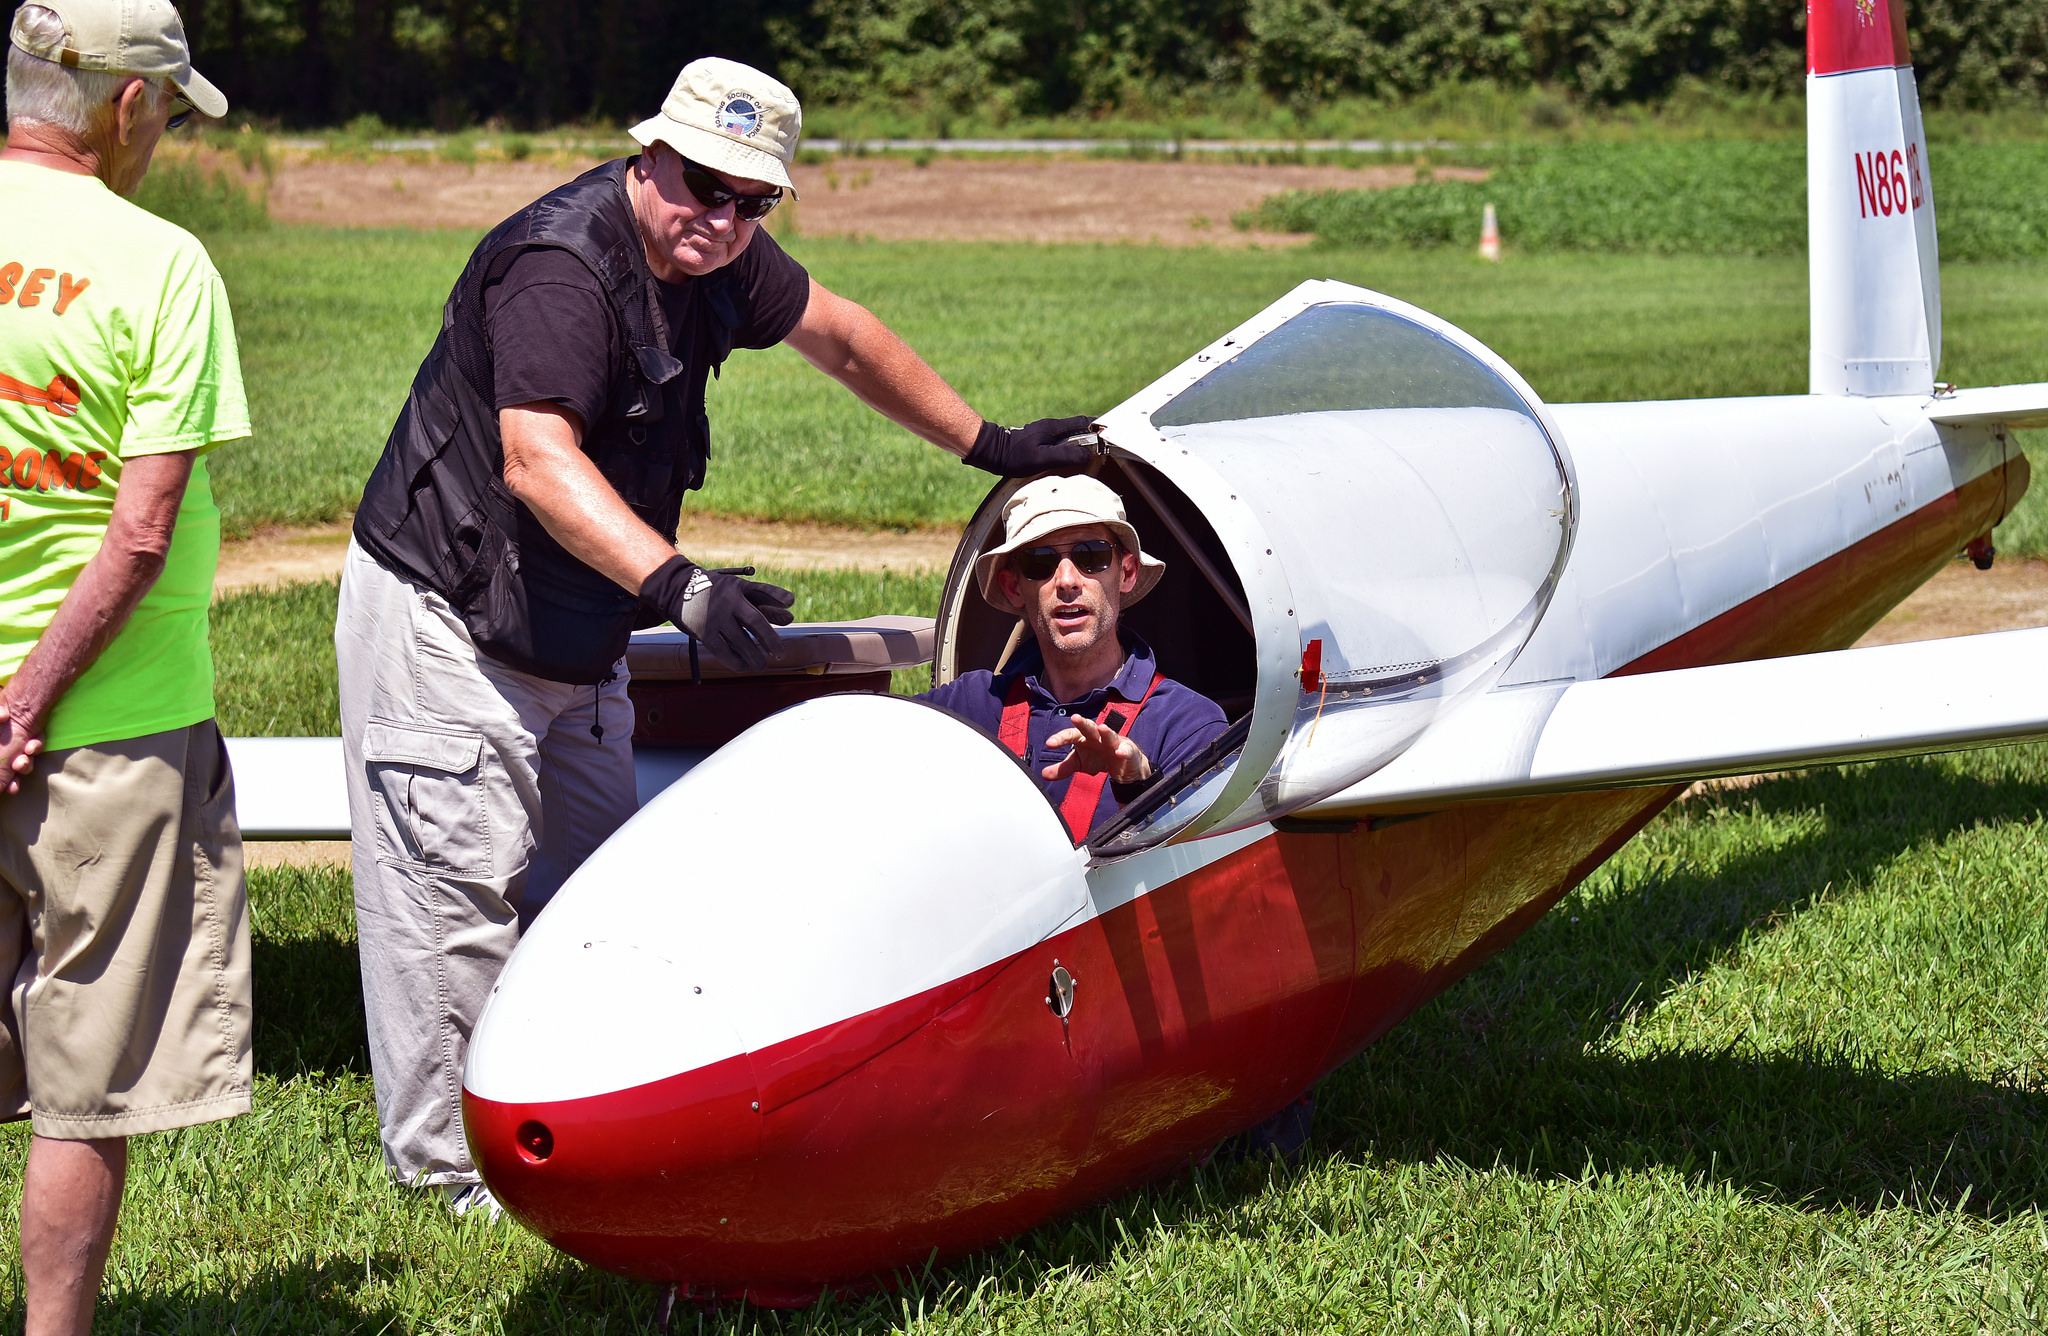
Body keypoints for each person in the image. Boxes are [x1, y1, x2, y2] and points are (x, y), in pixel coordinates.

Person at [336, 55, 1095, 1214]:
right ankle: (449, 1179)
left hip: (574, 622)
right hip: (450, 616)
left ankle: (582, 1099)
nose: (723, 217)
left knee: (600, 884)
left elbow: (838, 334)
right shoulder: (560, 269)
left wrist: (985, 443)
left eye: (754, 201)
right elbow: (537, 463)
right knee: (452, 893)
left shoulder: (720, 258)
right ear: (651, 155)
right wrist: (680, 586)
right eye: (702, 184)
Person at [0, 2, 247, 1332]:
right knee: (85, 1078)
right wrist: (27, 697)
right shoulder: (159, 265)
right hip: (112, 730)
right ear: (129, 109)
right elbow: (139, 531)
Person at [920, 475, 1228, 841]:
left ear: (1126, 572)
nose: (1067, 581)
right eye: (1040, 562)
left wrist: (1139, 782)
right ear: (1014, 587)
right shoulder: (970, 704)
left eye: (1091, 556)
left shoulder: (1187, 725)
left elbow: (1200, 869)